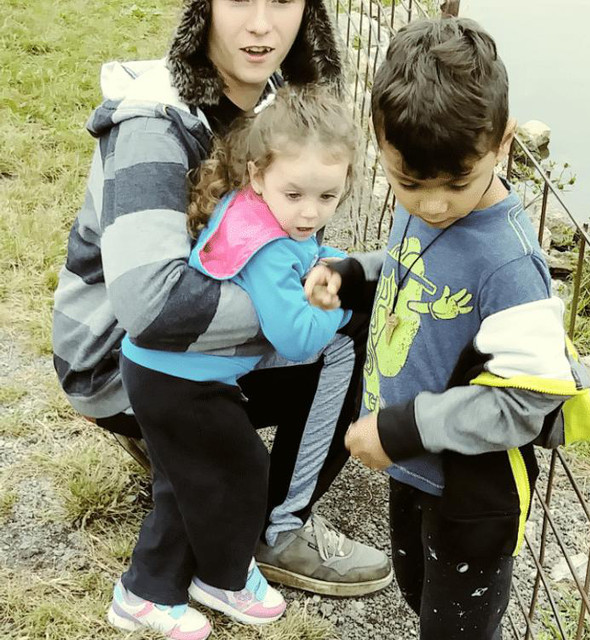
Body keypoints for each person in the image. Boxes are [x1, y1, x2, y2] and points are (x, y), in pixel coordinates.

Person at [52, 0, 390, 614]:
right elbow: (150, 307)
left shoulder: (276, 102)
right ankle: (274, 529)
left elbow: (285, 248)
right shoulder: (153, 126)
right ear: (202, 8)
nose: (261, 25)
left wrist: (351, 271)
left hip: (173, 352)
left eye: (282, 0)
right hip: (118, 363)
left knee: (355, 297)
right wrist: (318, 301)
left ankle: (203, 473)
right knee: (346, 331)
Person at [306, 17, 590, 639]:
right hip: (414, 466)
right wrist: (354, 276)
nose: (434, 205)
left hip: (471, 497)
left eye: (458, 183)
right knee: (419, 595)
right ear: (379, 142)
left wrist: (402, 428)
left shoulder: (510, 266)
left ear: (503, 142)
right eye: (408, 184)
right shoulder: (430, 206)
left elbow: (526, 400)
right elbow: (418, 269)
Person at [106, 86, 360, 638]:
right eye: (295, 194)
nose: (310, 212)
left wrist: (330, 260)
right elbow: (298, 339)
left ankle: (194, 582)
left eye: (328, 196)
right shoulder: (268, 249)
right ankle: (166, 591)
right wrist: (342, 305)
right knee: (234, 474)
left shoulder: (258, 210)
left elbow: (309, 252)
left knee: (192, 483)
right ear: (257, 174)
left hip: (164, 370)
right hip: (181, 381)